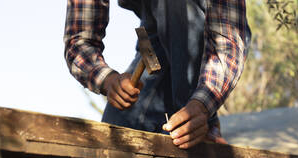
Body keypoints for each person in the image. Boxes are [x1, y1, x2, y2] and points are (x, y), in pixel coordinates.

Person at [64, 0, 251, 149]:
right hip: (152, 26)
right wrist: (107, 79)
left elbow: (229, 41)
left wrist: (202, 105)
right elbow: (79, 41)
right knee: (114, 135)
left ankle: (197, 128)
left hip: (195, 16)